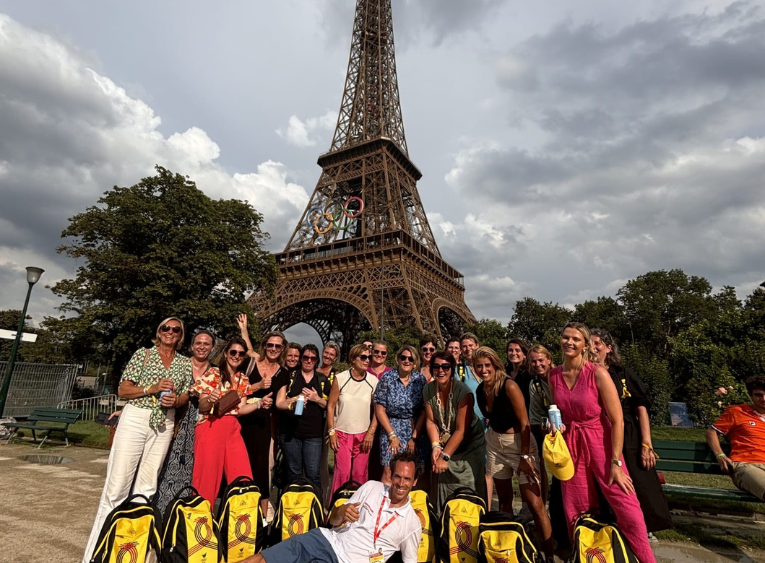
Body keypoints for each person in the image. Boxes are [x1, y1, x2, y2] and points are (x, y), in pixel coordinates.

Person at [83, 317, 192, 563]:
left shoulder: (185, 364)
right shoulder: (143, 354)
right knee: (116, 488)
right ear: (159, 331)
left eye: (176, 329)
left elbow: (186, 393)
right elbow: (123, 390)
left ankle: (134, 552)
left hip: (164, 423)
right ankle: (97, 554)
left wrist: (176, 401)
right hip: (136, 418)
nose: (170, 332)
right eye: (166, 328)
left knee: (147, 490)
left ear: (181, 335)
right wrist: (150, 389)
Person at [549, 322, 656, 563]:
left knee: (625, 501)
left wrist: (616, 462)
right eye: (565, 337)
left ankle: (646, 558)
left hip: (600, 440)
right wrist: (555, 427)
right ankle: (586, 554)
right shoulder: (553, 374)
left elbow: (617, 420)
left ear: (585, 345)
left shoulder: (597, 373)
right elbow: (560, 412)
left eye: (576, 339)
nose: (569, 342)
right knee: (574, 505)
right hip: (571, 442)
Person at [242, 450, 423, 563]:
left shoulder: (411, 524)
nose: (401, 483)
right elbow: (333, 521)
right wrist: (341, 511)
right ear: (391, 476)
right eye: (398, 477)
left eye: (407, 479)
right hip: (326, 540)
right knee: (262, 558)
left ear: (414, 482)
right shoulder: (372, 487)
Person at [474, 346, 553, 561]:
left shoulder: (509, 386)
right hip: (495, 444)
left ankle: (549, 554)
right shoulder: (481, 390)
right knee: (505, 500)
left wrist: (525, 456)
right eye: (479, 366)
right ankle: (508, 551)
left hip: (519, 443)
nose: (483, 370)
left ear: (495, 364)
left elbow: (525, 422)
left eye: (487, 365)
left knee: (535, 504)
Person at [591, 329, 672, 533]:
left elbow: (641, 408)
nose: (593, 347)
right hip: (600, 434)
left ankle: (646, 527)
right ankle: (613, 526)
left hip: (630, 435)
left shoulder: (623, 374)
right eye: (589, 343)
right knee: (608, 480)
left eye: (597, 343)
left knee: (640, 481)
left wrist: (647, 444)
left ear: (608, 348)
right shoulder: (585, 374)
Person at [191, 337, 273, 503]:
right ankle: (201, 519)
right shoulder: (214, 374)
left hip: (232, 429)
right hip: (211, 426)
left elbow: (240, 410)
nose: (237, 356)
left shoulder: (242, 379)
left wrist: (259, 403)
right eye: (233, 352)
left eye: (241, 354)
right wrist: (210, 399)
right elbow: (202, 406)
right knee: (207, 479)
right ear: (226, 354)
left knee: (242, 476)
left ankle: (239, 519)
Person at [154, 329, 215, 514]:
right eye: (198, 343)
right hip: (174, 422)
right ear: (192, 345)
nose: (202, 347)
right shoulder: (180, 365)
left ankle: (182, 519)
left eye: (206, 344)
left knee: (192, 470)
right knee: (165, 466)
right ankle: (160, 516)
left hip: (199, 427)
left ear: (212, 348)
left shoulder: (215, 373)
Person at [424, 350, 486, 512]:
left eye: (446, 366)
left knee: (469, 486)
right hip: (446, 443)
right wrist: (436, 446)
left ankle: (472, 525)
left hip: (469, 444)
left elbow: (461, 430)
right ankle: (445, 525)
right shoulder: (428, 390)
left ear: (452, 369)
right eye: (436, 366)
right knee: (443, 487)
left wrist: (444, 456)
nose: (441, 370)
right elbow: (431, 421)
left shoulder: (464, 393)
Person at [240, 329, 287, 517]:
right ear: (264, 346)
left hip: (262, 424)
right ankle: (238, 504)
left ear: (282, 349)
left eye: (277, 346)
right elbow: (238, 389)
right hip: (243, 419)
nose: (273, 349)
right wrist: (244, 330)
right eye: (270, 345)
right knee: (241, 463)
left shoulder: (283, 373)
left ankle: (262, 512)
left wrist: (295, 400)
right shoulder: (251, 363)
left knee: (261, 467)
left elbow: (280, 402)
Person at [275, 344, 330, 493]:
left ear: (317, 360)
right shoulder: (289, 376)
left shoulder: (322, 380)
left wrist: (316, 398)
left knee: (313, 474)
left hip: (313, 434)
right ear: (301, 359)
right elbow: (279, 402)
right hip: (290, 433)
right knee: (293, 474)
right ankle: (294, 508)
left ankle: (314, 509)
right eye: (305, 357)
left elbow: (330, 406)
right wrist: (294, 400)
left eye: (312, 358)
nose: (309, 360)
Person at [327, 344, 378, 497]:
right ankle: (336, 508)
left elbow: (378, 410)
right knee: (341, 473)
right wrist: (331, 432)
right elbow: (330, 406)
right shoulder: (340, 378)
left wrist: (371, 432)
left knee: (359, 474)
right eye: (363, 357)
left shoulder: (373, 381)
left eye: (369, 357)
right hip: (342, 434)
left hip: (363, 435)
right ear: (353, 359)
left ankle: (358, 509)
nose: (367, 360)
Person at [375, 345, 428, 485]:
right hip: (391, 428)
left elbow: (424, 411)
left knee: (412, 474)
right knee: (389, 472)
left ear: (415, 362)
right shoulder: (387, 378)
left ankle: (409, 505)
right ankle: (386, 504)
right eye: (403, 357)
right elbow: (380, 409)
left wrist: (414, 438)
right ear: (398, 359)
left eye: (410, 358)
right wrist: (392, 435)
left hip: (414, 429)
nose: (407, 361)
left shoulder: (420, 380)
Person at [707, 375, 765, 501]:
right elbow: (711, 432)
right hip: (746, 465)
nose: (764, 399)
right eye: (759, 395)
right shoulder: (737, 412)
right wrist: (720, 455)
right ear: (751, 395)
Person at [506, 338, 532, 412]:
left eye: (517, 350)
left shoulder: (529, 374)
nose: (513, 353)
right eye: (510, 350)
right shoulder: (505, 373)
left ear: (524, 355)